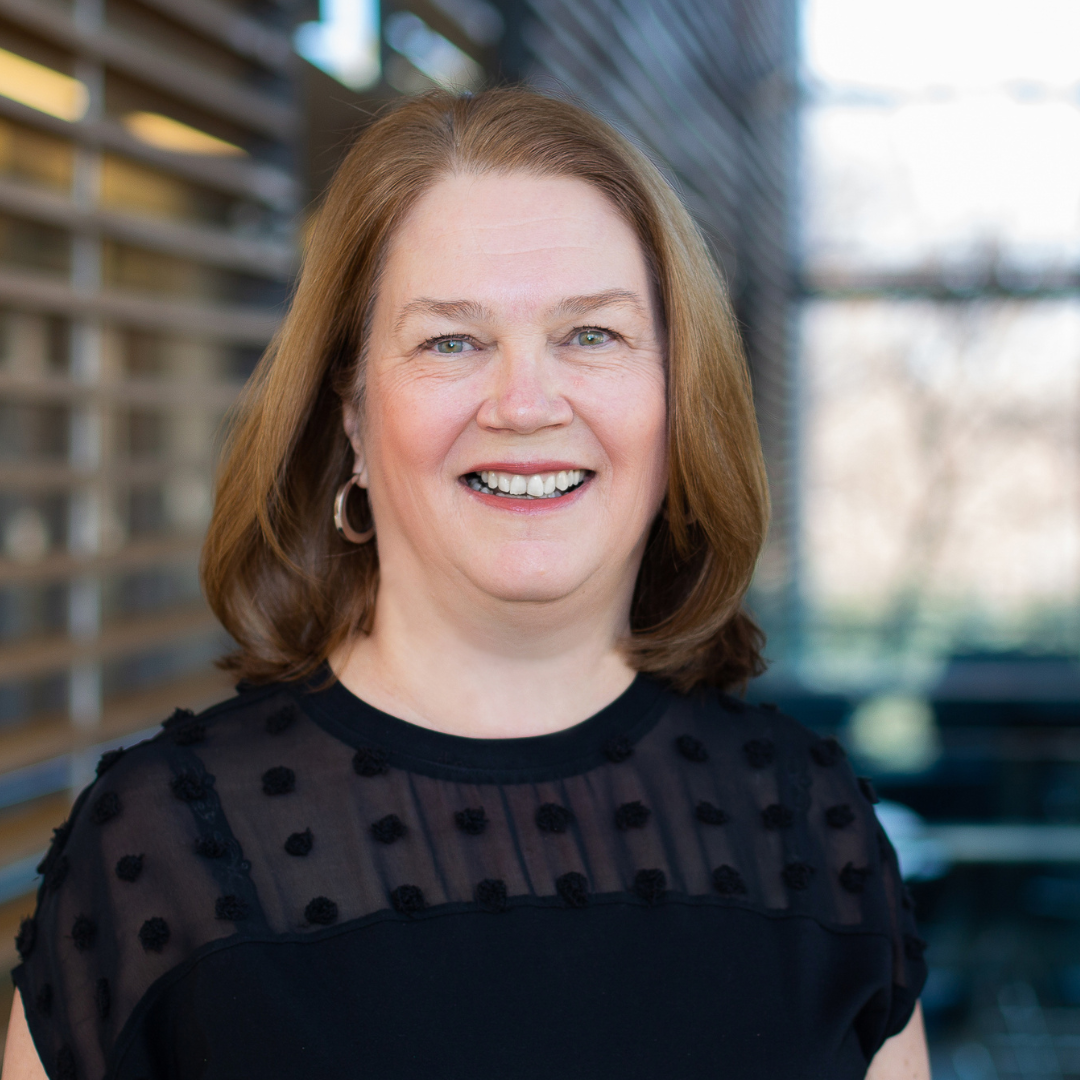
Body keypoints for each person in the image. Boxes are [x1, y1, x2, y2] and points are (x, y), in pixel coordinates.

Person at [3, 88, 929, 1080]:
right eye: (452, 340)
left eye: (592, 336)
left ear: (676, 402)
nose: (526, 405)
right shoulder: (162, 856)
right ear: (352, 416)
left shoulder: (810, 830)